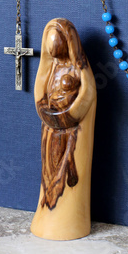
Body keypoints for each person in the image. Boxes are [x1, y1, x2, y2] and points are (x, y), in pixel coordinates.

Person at [31, 18, 97, 240]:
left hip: (72, 132)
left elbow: (87, 95)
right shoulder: (51, 67)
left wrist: (66, 116)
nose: (52, 49)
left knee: (69, 175)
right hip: (50, 130)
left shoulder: (78, 70)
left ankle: (70, 221)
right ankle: (47, 213)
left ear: (69, 42)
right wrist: (47, 113)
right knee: (49, 173)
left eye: (57, 43)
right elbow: (41, 93)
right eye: (50, 45)